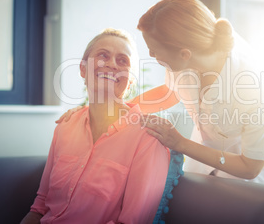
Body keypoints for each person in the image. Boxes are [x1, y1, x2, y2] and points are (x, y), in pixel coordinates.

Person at [59, 0, 264, 186]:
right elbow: (169, 93)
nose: (150, 56)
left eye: (154, 51)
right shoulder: (189, 55)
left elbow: (250, 167)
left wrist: (179, 143)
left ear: (184, 54)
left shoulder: (255, 86)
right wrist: (94, 114)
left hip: (253, 173)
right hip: (207, 151)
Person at [21, 28, 170, 224]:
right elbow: (39, 207)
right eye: (103, 55)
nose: (111, 64)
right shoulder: (65, 126)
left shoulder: (149, 138)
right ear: (83, 69)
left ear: (131, 80)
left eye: (123, 60)